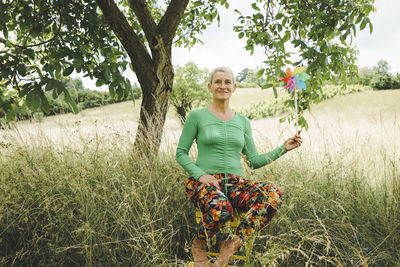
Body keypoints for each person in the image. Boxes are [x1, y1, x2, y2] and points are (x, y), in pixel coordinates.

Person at [175, 66, 302, 267]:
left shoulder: (242, 122)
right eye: (218, 81)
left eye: (227, 82)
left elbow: (253, 161)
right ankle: (198, 243)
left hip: (235, 184)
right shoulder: (196, 117)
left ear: (234, 88)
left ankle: (232, 243)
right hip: (206, 183)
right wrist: (201, 176)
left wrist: (284, 148)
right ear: (209, 87)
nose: (222, 86)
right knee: (221, 209)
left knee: (273, 195)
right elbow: (180, 153)